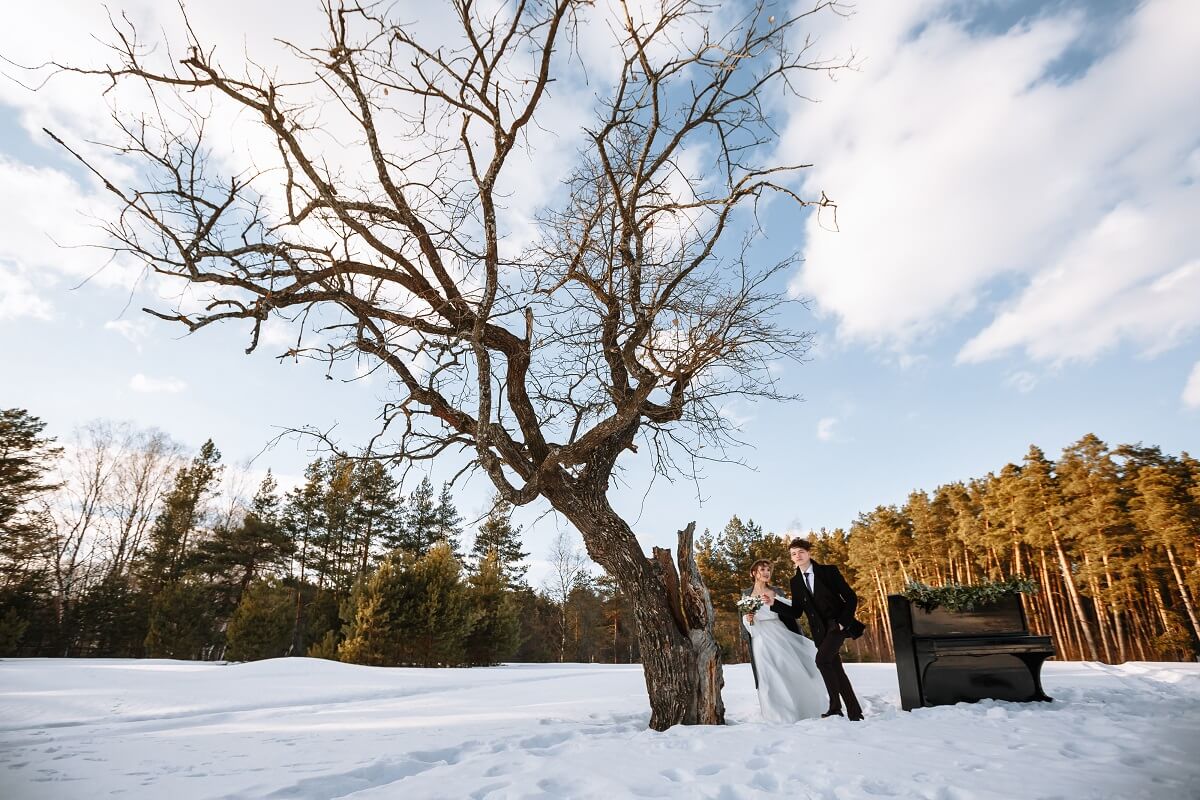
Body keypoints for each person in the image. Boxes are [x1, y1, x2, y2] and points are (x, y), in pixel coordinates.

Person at [762, 539, 866, 721]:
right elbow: (796, 611)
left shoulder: (828, 571)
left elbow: (850, 597)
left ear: (808, 553)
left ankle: (835, 708)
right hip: (820, 631)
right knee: (836, 669)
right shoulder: (795, 581)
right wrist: (774, 604)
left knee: (822, 660)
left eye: (801, 552)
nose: (797, 556)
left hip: (837, 625)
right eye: (793, 554)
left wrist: (843, 622)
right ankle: (855, 712)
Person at [740, 559, 825, 723]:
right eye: (762, 570)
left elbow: (790, 612)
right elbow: (744, 622)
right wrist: (748, 619)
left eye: (768, 570)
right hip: (760, 639)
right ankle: (776, 714)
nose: (766, 573)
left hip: (780, 634)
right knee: (768, 675)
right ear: (754, 573)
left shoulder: (776, 591)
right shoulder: (746, 594)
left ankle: (800, 707)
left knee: (788, 670)